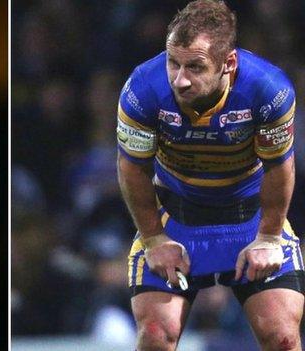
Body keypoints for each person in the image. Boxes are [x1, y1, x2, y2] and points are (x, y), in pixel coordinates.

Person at [116, 1, 303, 350]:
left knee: (283, 338)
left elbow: (280, 166)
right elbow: (132, 167)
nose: (180, 79)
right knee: (156, 337)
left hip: (250, 219)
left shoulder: (269, 90)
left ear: (228, 64)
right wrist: (154, 239)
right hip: (175, 219)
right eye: (173, 62)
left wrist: (269, 237)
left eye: (195, 67)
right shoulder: (142, 90)